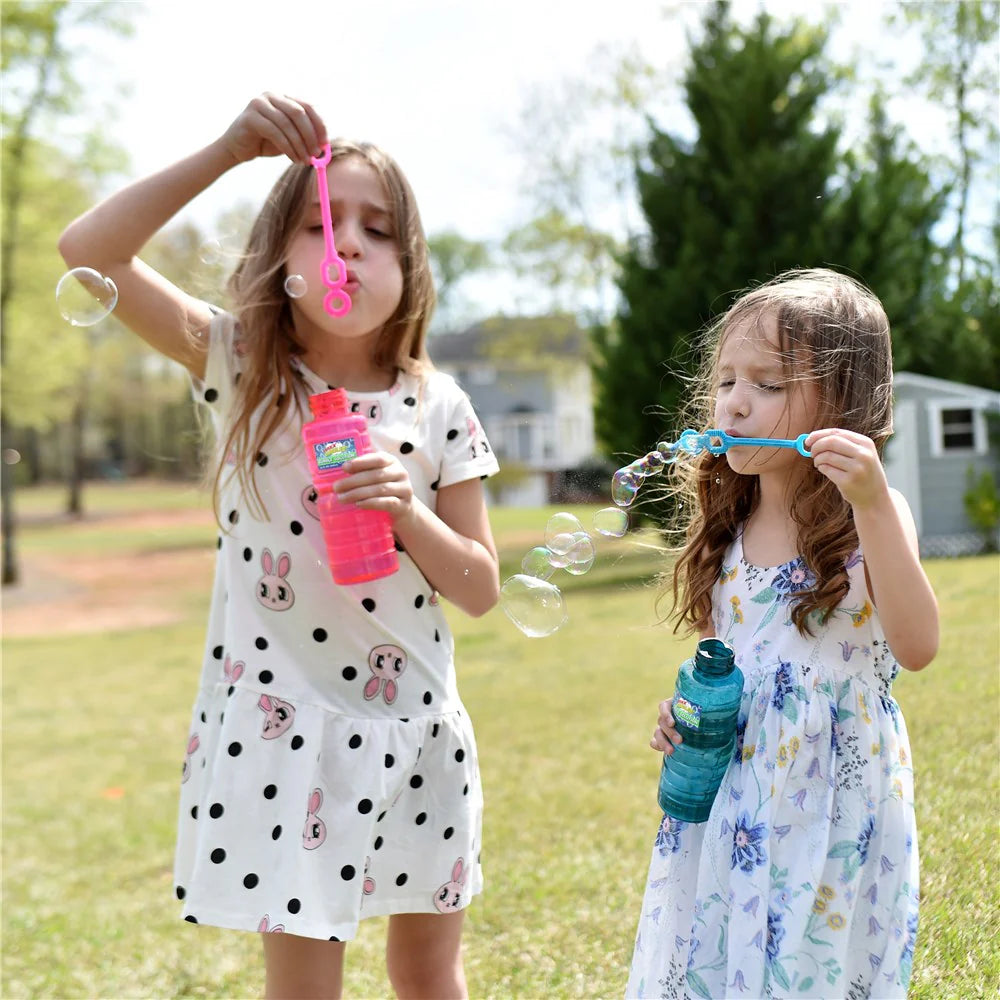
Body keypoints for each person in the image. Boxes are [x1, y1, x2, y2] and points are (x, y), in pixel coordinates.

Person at [59, 93, 501, 1000]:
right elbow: (88, 252)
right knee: (303, 987)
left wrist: (409, 517)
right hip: (284, 737)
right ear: (276, 257)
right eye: (319, 225)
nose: (347, 247)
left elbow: (485, 587)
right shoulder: (241, 371)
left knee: (429, 970)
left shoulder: (441, 405)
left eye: (377, 231)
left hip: (416, 729)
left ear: (409, 268)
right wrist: (227, 150)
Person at [626, 269, 939, 1000]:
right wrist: (681, 718)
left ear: (843, 404)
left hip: (834, 805)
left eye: (767, 384)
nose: (734, 402)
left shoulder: (875, 516)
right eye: (727, 380)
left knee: (810, 969)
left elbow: (918, 645)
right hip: (733, 806)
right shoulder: (728, 529)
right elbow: (718, 672)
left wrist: (872, 505)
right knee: (717, 964)